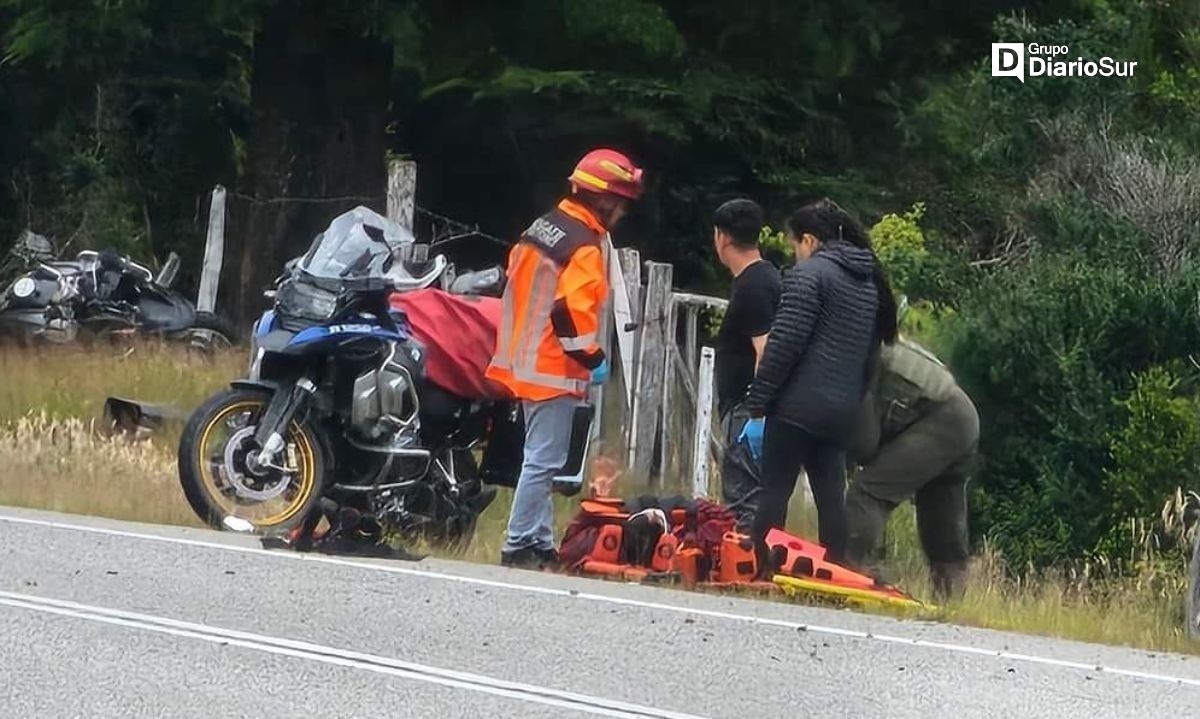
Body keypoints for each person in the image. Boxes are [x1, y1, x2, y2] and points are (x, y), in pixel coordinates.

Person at [487, 148, 644, 569]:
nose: (623, 213)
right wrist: (593, 359)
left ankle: (538, 542)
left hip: (526, 356)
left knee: (541, 456)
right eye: (621, 204)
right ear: (604, 200)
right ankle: (519, 543)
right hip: (552, 366)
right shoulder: (584, 245)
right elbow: (570, 313)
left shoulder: (546, 228)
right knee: (544, 461)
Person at [740, 198, 898, 567]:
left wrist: (758, 404)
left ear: (809, 241)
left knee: (775, 490)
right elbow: (870, 358)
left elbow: (785, 346)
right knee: (831, 497)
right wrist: (853, 402)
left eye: (796, 246)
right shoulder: (868, 284)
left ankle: (764, 567)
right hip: (840, 412)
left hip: (796, 407)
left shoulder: (809, 276)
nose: (795, 255)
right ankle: (836, 572)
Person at [845, 337, 979, 601]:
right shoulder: (875, 342)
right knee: (943, 528)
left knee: (868, 493)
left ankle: (845, 572)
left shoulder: (860, 356)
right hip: (961, 416)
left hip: (943, 417)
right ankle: (951, 606)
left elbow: (866, 446)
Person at [711, 199, 781, 529]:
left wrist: (757, 412)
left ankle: (744, 560)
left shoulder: (754, 284)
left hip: (746, 406)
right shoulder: (759, 278)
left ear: (722, 237)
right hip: (744, 404)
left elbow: (764, 348)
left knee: (743, 494)